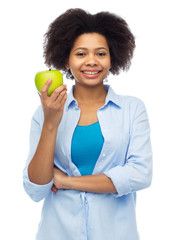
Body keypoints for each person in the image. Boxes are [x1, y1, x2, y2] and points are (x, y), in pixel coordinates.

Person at [23, 8, 152, 240]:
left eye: (100, 53)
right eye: (81, 54)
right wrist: (51, 123)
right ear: (66, 59)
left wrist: (67, 182)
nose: (91, 61)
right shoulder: (45, 113)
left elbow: (140, 175)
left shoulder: (132, 110)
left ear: (112, 58)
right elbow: (35, 188)